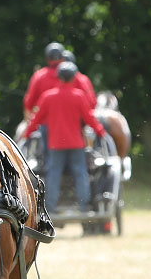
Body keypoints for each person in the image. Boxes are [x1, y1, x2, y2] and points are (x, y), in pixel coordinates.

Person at [23, 62, 106, 215]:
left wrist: (26, 134)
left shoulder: (48, 96)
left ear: (58, 77)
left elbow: (36, 120)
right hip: (76, 144)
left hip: (55, 144)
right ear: (74, 77)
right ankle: (83, 206)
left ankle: (51, 208)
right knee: (80, 173)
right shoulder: (79, 96)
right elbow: (90, 119)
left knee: (53, 174)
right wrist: (101, 132)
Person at [23, 41, 65, 121]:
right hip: (68, 122)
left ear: (47, 58)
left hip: (43, 124)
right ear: (63, 58)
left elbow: (28, 103)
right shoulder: (73, 76)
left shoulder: (39, 76)